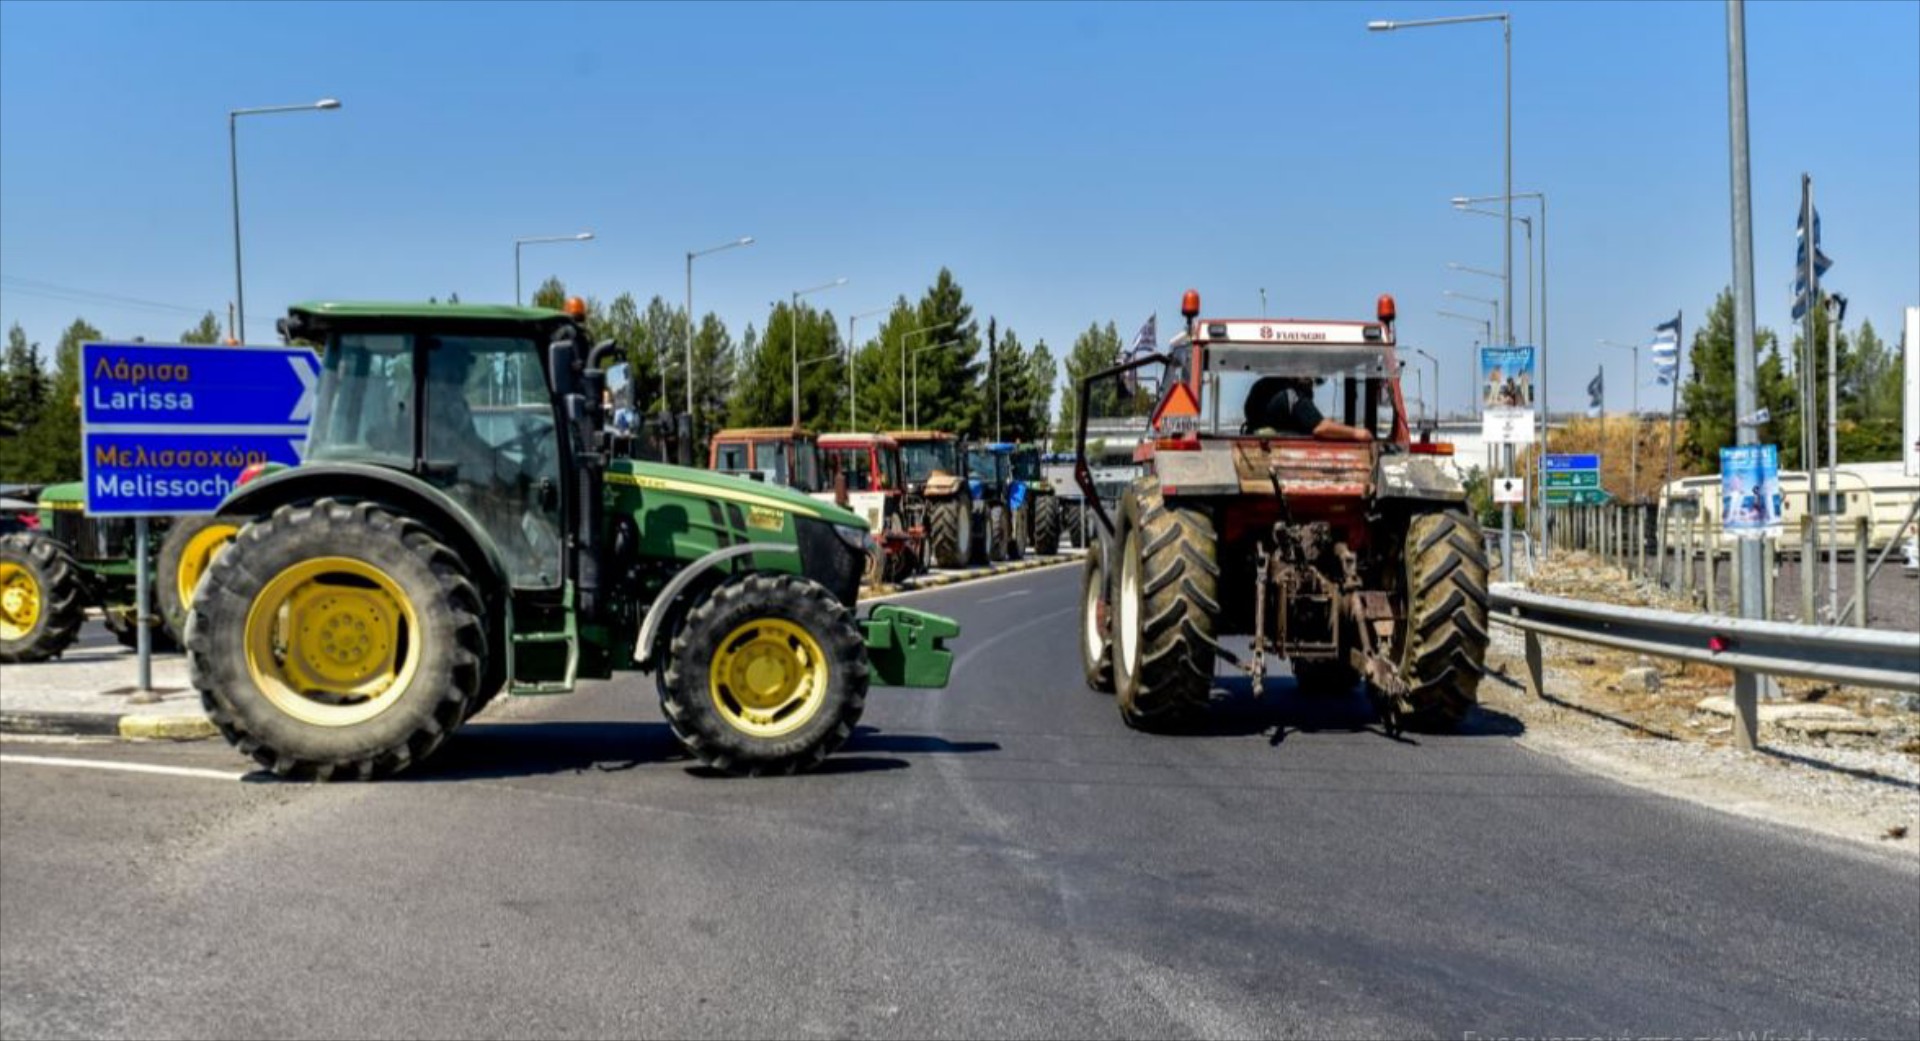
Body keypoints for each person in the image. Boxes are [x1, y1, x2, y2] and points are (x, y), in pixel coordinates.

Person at [1242, 376, 1372, 442]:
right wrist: (1358, 433)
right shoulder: (1292, 395)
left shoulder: (1263, 386)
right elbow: (1321, 428)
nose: (1311, 388)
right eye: (1310, 383)